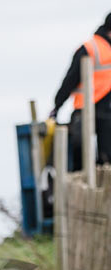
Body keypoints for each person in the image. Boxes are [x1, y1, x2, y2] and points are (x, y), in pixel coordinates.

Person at [50, 12, 111, 170]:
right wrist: (57, 105)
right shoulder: (91, 48)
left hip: (104, 111)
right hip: (87, 108)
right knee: (82, 156)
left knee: (104, 159)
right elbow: (70, 80)